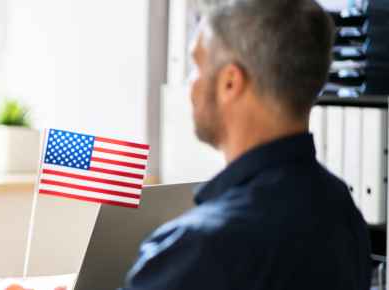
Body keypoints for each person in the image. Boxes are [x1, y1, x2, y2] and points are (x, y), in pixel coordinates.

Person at [122, 0, 372, 289]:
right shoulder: (343, 212)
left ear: (230, 82)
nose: (191, 86)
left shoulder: (199, 248)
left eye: (197, 66)